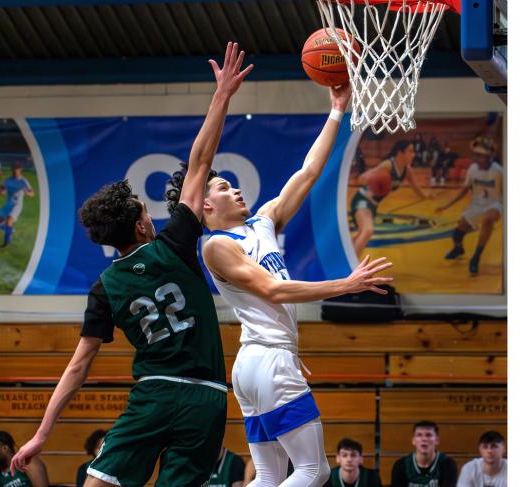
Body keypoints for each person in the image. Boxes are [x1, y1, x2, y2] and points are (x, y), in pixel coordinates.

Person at [9, 42, 253, 487]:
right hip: (206, 399)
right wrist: (221, 97)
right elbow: (199, 160)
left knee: (98, 484)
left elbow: (78, 367)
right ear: (142, 227)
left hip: (153, 396)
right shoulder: (177, 243)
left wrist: (42, 434)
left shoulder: (105, 285)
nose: (152, 216)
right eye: (146, 212)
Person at [165, 84, 393, 487]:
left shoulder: (263, 222)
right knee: (314, 471)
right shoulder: (217, 245)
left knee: (270, 477)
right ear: (205, 205)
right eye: (222, 188)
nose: (234, 189)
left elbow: (308, 172)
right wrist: (346, 283)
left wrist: (337, 111)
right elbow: (272, 291)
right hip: (268, 361)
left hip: (258, 364)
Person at [350, 140, 432, 257]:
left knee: (363, 234)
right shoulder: (388, 165)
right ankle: (350, 269)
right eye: (410, 151)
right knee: (368, 230)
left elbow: (416, 188)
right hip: (362, 200)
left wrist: (427, 196)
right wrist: (374, 179)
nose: (413, 154)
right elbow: (361, 179)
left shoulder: (407, 170)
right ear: (401, 152)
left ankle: (344, 257)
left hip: (373, 205)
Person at [436, 136, 503, 274]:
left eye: (481, 156)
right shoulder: (472, 169)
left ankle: (476, 258)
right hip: (476, 205)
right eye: (476, 155)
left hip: (494, 204)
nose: (478, 159)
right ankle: (458, 249)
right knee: (457, 234)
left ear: (489, 156)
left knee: (488, 220)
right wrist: (446, 205)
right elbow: (463, 191)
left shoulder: (499, 171)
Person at [390, 420, 457, 487]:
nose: (424, 439)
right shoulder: (401, 465)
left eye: (428, 435)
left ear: (437, 440)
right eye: (419, 435)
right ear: (413, 440)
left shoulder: (448, 464)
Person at [0, 161, 34, 247]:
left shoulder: (23, 181)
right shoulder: (8, 180)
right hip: (8, 204)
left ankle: (6, 243)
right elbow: (3, 188)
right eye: (13, 169)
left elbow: (32, 193)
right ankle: (10, 230)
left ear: (20, 170)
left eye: (16, 169)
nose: (15, 171)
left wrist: (27, 193)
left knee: (9, 220)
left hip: (17, 205)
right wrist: (2, 190)